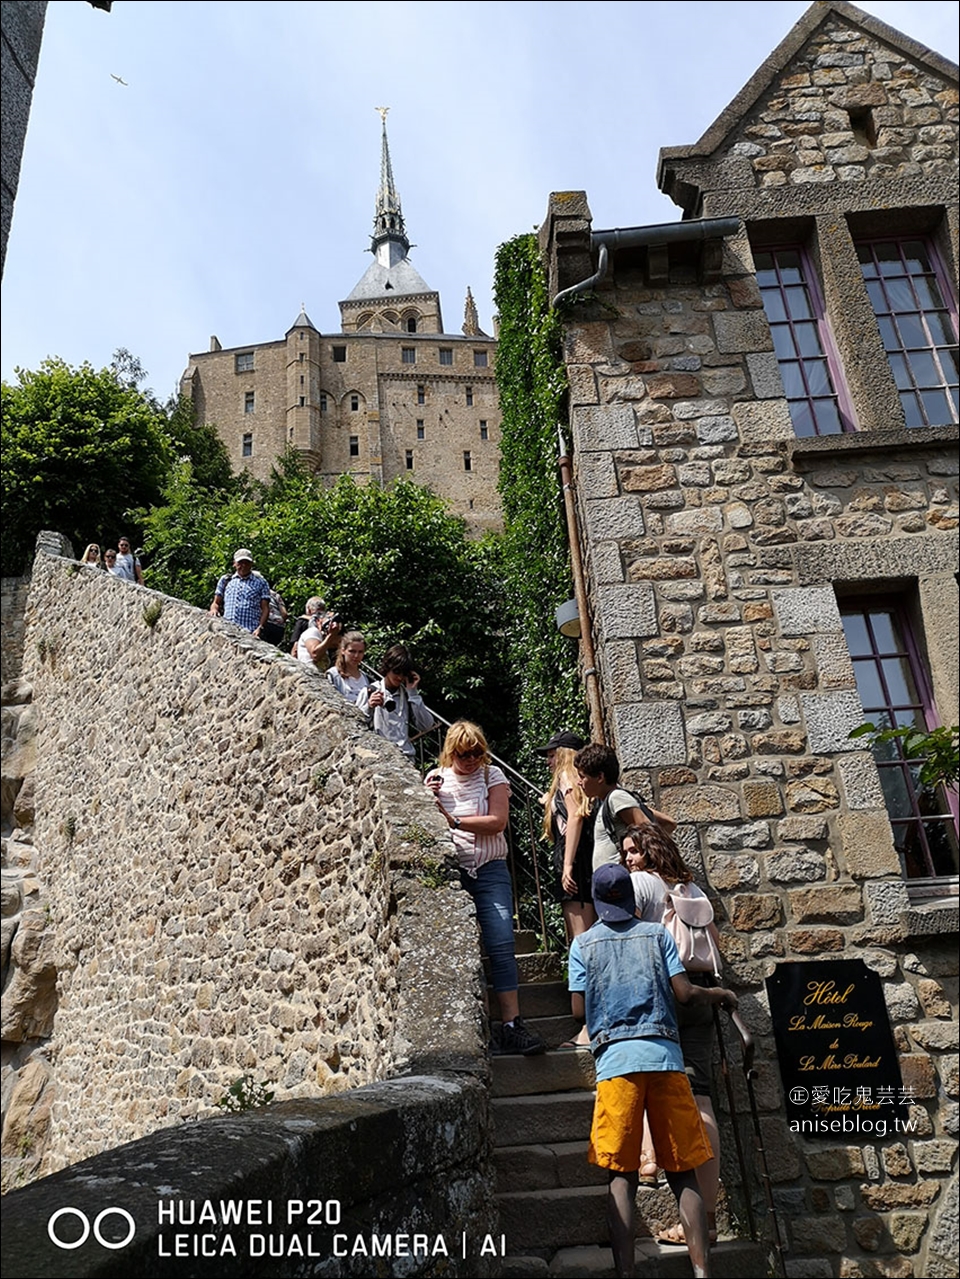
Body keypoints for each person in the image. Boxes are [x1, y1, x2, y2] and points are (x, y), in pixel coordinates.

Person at [568, 863, 737, 1278]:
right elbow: (684, 992)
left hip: (616, 1068)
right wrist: (720, 994)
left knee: (621, 1176)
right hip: (664, 1060)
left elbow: (576, 1009)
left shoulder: (583, 945)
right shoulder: (657, 934)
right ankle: (701, 1271)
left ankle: (625, 1273)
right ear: (630, 897)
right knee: (682, 1171)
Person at [621, 823, 724, 1246]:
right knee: (702, 1100)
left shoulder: (640, 885)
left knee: (651, 1080)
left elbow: (620, 934)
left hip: (664, 994)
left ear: (648, 853)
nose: (627, 858)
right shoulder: (691, 889)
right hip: (702, 996)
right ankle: (709, 1218)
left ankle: (648, 1162)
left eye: (632, 850)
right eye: (625, 852)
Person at [426, 720, 545, 1057]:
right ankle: (471, 1028)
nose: (472, 760)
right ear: (452, 752)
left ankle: (512, 1024)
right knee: (458, 948)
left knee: (502, 940)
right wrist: (429, 798)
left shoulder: (493, 777)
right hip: (454, 870)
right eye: (465, 754)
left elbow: (497, 823)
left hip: (490, 869)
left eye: (478, 753)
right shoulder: (437, 780)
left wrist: (455, 821)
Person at [538, 731, 596, 1047]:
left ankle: (588, 1028)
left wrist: (567, 865)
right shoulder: (579, 781)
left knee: (582, 944)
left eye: (550, 754)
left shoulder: (566, 776)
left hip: (577, 861)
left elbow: (575, 817)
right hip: (586, 860)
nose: (547, 761)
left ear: (563, 754)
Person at [574, 743, 675, 872]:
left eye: (582, 777)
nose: (579, 782)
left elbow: (649, 833)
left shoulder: (616, 798)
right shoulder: (612, 800)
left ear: (600, 777)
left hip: (622, 882)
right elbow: (668, 823)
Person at [356, 644, 434, 760]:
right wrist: (369, 706)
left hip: (406, 757)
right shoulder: (370, 691)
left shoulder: (408, 694)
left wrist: (413, 693)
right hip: (379, 756)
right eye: (396, 671)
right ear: (387, 668)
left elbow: (426, 725)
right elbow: (355, 725)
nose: (400, 677)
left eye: (404, 673)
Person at [209, 548, 271, 636]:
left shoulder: (261, 582)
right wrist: (214, 609)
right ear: (234, 563)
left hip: (250, 631)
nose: (244, 565)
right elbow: (216, 602)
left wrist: (260, 627)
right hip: (228, 629)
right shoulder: (226, 580)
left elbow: (265, 608)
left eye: (247, 563)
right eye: (240, 563)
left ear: (251, 564)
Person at [327, 632, 371, 704]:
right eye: (352, 651)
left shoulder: (367, 678)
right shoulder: (333, 675)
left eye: (360, 652)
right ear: (343, 651)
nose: (356, 656)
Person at [295, 604, 342, 672]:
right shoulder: (313, 631)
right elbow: (315, 654)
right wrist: (331, 635)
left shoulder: (322, 638)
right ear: (318, 622)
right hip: (309, 674)